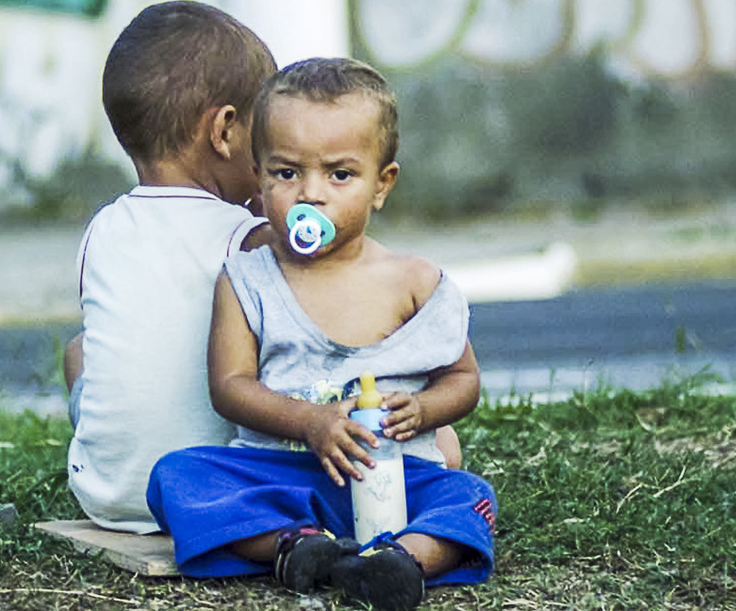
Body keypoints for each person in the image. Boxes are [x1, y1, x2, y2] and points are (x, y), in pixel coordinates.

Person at [146, 58, 496, 611]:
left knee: (470, 497)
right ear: (258, 178)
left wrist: (425, 410)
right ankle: (296, 546)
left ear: (381, 184)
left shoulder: (414, 282)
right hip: (283, 476)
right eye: (287, 174)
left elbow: (464, 379)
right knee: (177, 477)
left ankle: (401, 562)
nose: (310, 194)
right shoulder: (246, 279)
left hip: (394, 476)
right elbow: (230, 387)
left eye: (340, 175)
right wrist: (310, 422)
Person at [64, 0, 277, 532]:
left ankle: (111, 460)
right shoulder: (246, 238)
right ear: (225, 131)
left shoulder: (102, 228)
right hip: (215, 491)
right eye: (266, 133)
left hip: (105, 497)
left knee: (78, 351)